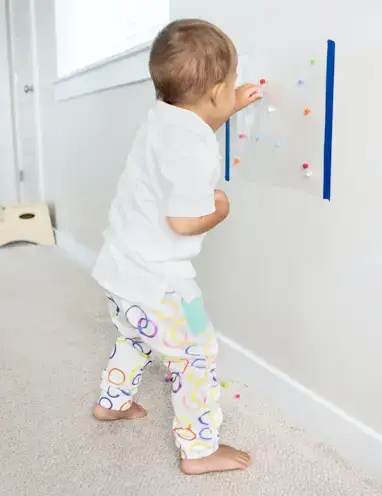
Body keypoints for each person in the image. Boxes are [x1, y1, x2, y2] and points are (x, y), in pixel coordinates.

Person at [91, 18, 261, 475]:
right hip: (165, 285)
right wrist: (219, 209)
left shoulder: (162, 116)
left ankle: (113, 402)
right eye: (230, 86)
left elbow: (194, 124)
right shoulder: (195, 148)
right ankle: (199, 450)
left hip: (119, 269)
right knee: (197, 353)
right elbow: (184, 220)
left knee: (133, 336)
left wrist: (228, 108)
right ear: (213, 93)